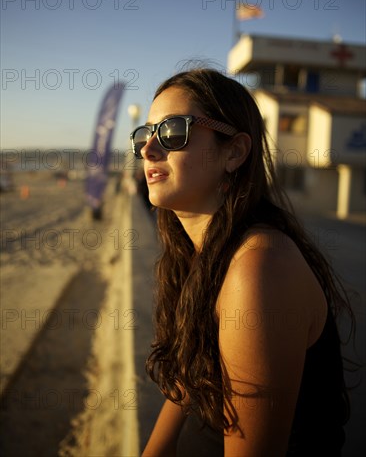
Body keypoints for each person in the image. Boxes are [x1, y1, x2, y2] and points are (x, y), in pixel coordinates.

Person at [130, 68, 354, 456]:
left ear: (233, 151)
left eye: (171, 131)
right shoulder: (201, 255)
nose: (149, 148)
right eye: (144, 134)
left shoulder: (259, 269)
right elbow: (187, 384)